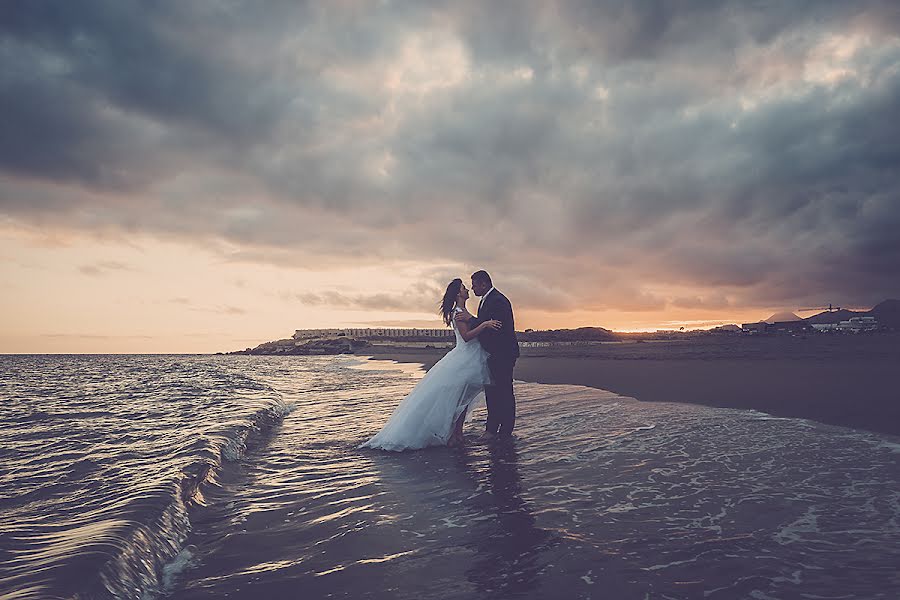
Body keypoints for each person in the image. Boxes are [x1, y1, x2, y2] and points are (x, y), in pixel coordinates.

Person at [360, 278, 501, 451]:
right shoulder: (458, 312)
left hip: (470, 357)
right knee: (459, 399)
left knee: (463, 399)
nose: (468, 290)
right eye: (464, 288)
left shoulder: (463, 311)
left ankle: (458, 434)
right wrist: (485, 324)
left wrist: (477, 321)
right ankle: (453, 435)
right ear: (458, 293)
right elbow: (466, 336)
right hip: (465, 359)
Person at [456, 270, 519, 438]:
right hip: (492, 354)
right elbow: (485, 324)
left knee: (504, 392)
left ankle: (505, 432)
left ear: (484, 284)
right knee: (493, 392)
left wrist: (470, 318)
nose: (472, 288)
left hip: (503, 354)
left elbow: (495, 327)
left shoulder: (498, 300)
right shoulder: (487, 300)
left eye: (474, 285)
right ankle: (491, 429)